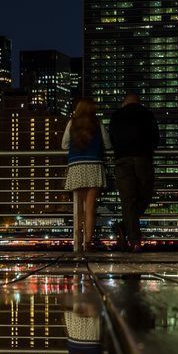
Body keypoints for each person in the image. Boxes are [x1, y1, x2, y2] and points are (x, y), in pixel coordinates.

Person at [108, 93, 159, 251]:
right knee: (145, 195)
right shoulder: (147, 114)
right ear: (139, 102)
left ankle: (133, 238)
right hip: (143, 158)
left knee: (128, 200)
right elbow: (156, 138)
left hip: (122, 160)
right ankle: (129, 232)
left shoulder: (116, 116)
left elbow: (111, 139)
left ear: (124, 103)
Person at [61, 98, 112, 251]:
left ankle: (77, 239)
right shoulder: (97, 123)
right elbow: (108, 144)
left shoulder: (72, 123)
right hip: (94, 165)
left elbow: (64, 144)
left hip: (76, 165)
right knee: (90, 207)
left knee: (79, 207)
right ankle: (88, 242)